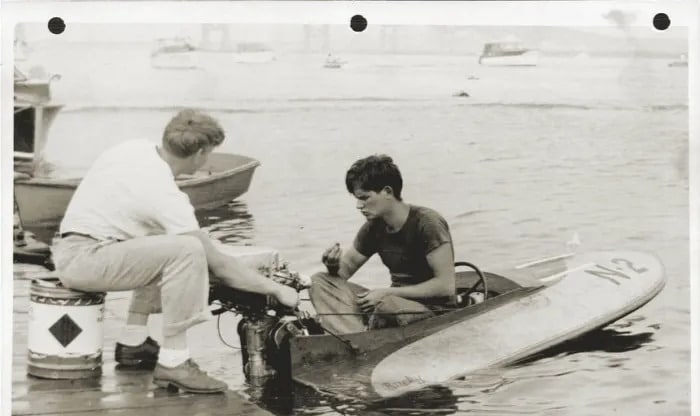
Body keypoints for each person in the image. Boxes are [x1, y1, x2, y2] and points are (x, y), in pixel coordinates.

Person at [51, 109, 299, 394]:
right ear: (201, 153)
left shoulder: (132, 149)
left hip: (72, 250)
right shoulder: (165, 193)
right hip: (85, 261)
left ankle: (133, 342)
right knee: (187, 249)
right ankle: (175, 361)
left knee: (166, 239)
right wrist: (277, 290)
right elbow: (217, 264)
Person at [309, 154, 456, 335]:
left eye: (364, 198)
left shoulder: (427, 222)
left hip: (431, 310)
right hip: (392, 302)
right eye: (357, 198)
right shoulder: (374, 227)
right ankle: (356, 338)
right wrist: (332, 266)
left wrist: (386, 293)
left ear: (387, 191)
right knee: (319, 281)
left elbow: (445, 286)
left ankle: (358, 338)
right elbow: (341, 275)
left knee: (386, 304)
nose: (358, 205)